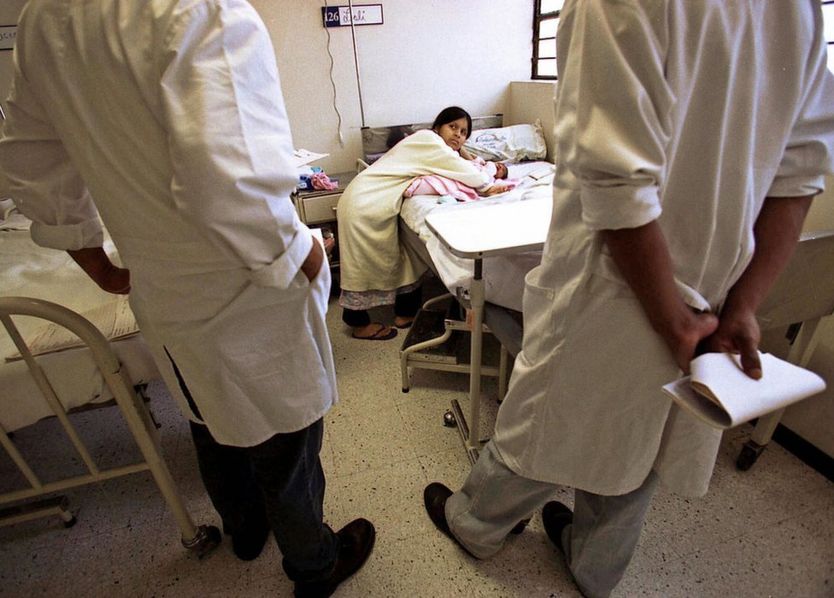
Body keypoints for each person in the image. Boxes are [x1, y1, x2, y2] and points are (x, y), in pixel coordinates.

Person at [423, 2, 834, 597]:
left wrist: (672, 320)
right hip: (716, 287)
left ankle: (475, 524)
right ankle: (595, 568)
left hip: (613, 280)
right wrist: (742, 306)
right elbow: (798, 179)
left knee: (542, 426)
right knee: (645, 440)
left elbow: (614, 184)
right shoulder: (796, 12)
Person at [0, 1, 374, 595]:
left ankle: (245, 531)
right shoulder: (201, 9)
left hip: (159, 284)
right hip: (245, 282)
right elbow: (229, 174)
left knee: (207, 414)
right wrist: (300, 253)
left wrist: (95, 260)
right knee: (286, 438)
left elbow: (31, 162)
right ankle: (313, 562)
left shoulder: (46, 17)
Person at [338, 106, 511, 340]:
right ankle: (358, 324)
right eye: (452, 127)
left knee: (406, 261)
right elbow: (462, 169)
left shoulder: (435, 150)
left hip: (373, 200)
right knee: (362, 265)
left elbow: (459, 163)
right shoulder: (428, 140)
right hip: (365, 202)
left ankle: (404, 313)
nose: (458, 134)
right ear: (437, 126)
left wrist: (466, 153)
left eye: (464, 132)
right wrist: (487, 185)